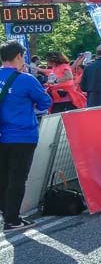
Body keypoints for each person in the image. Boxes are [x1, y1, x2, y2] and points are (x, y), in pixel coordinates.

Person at [0, 41, 52, 230]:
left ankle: (5, 211)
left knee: (3, 175)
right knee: (17, 178)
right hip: (22, 135)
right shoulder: (26, 79)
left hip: (1, 135)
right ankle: (12, 219)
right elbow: (45, 102)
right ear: (19, 56)